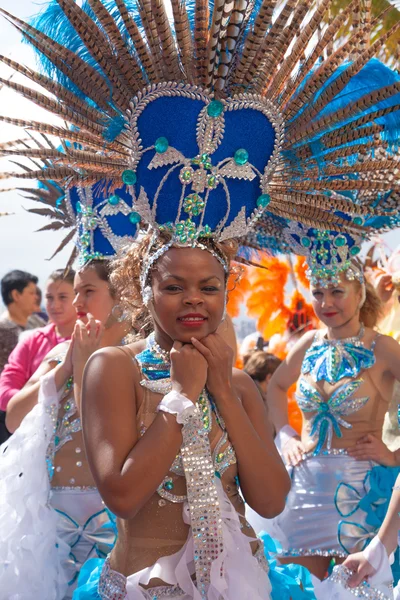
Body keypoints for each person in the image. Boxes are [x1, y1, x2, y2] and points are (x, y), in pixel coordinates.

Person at [2, 1, 400, 598]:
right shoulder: (115, 368)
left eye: (210, 286)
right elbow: (124, 492)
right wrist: (184, 395)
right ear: (146, 291)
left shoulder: (234, 381)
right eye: (174, 286)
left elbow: (268, 498)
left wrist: (221, 389)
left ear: (225, 292)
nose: (195, 300)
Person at [0, 259, 131, 599]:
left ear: (121, 295)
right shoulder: (61, 353)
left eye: (87, 291)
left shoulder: (141, 355)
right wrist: (65, 368)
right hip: (56, 519)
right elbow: (14, 417)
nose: (75, 304)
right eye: (74, 293)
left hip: (118, 517)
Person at [265, 262, 400, 580]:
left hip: (360, 495)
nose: (326, 303)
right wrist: (286, 436)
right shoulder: (309, 343)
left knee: (352, 590)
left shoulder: (383, 348)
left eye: (337, 292)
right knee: (295, 588)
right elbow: (276, 387)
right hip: (302, 492)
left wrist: (394, 455)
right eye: (318, 293)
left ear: (359, 293)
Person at [0, 268, 76, 412]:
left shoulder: (94, 339)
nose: (54, 305)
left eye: (63, 297)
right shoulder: (31, 340)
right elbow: (5, 392)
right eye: (49, 298)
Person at [0, 269, 40, 373]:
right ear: (16, 295)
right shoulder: (2, 330)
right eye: (31, 293)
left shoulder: (38, 323)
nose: (36, 297)